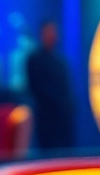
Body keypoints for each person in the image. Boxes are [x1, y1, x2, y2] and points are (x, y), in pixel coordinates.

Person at [26, 20, 75, 151]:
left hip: (63, 120)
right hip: (46, 119)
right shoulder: (34, 59)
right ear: (42, 34)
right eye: (49, 31)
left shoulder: (60, 61)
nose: (53, 35)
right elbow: (36, 88)